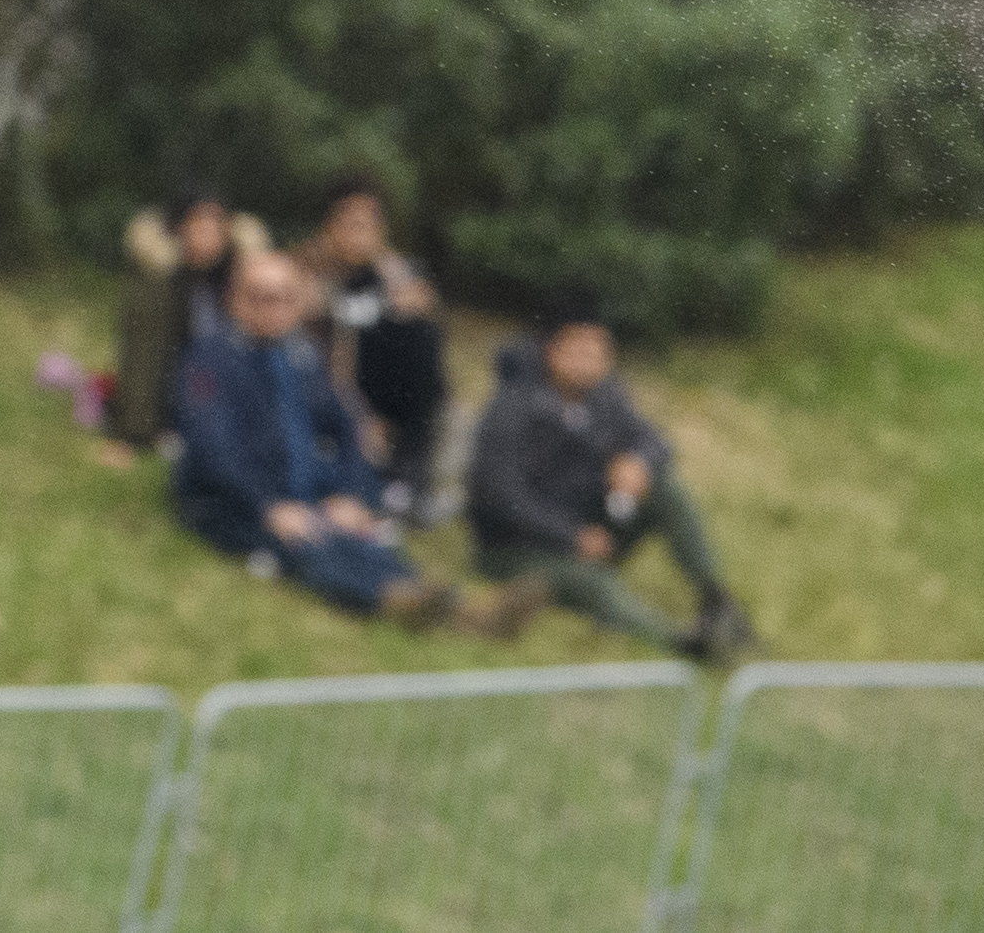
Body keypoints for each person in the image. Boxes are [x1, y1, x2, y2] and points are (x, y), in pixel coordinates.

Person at [167, 252, 489, 628]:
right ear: (236, 300)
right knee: (310, 548)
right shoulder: (209, 360)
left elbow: (347, 427)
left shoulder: (303, 356)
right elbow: (214, 450)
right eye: (262, 298)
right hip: (229, 501)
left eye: (286, 298)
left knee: (365, 540)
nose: (276, 309)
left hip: (305, 493)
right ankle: (402, 606)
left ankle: (459, 611)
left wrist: (351, 493)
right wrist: (267, 506)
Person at [464, 310, 755, 661]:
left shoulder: (604, 398)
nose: (590, 363)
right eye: (580, 352)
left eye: (599, 354)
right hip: (517, 546)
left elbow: (654, 440)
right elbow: (499, 497)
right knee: (594, 583)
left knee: (663, 490)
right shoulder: (511, 409)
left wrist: (637, 462)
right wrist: (571, 535)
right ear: (552, 352)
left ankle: (716, 599)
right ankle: (682, 643)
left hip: (590, 524)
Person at [301, 177, 451, 513]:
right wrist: (358, 414)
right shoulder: (305, 267)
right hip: (323, 387)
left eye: (370, 224)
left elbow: (421, 323)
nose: (362, 233)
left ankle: (407, 480)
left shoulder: (393, 271)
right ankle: (385, 477)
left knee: (419, 333)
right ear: (330, 227)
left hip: (379, 395)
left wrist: (404, 290)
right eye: (351, 223)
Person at [106, 188, 261, 463]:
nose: (208, 237)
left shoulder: (240, 274)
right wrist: (129, 436)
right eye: (199, 225)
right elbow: (143, 360)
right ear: (179, 230)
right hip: (178, 396)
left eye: (216, 227)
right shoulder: (158, 281)